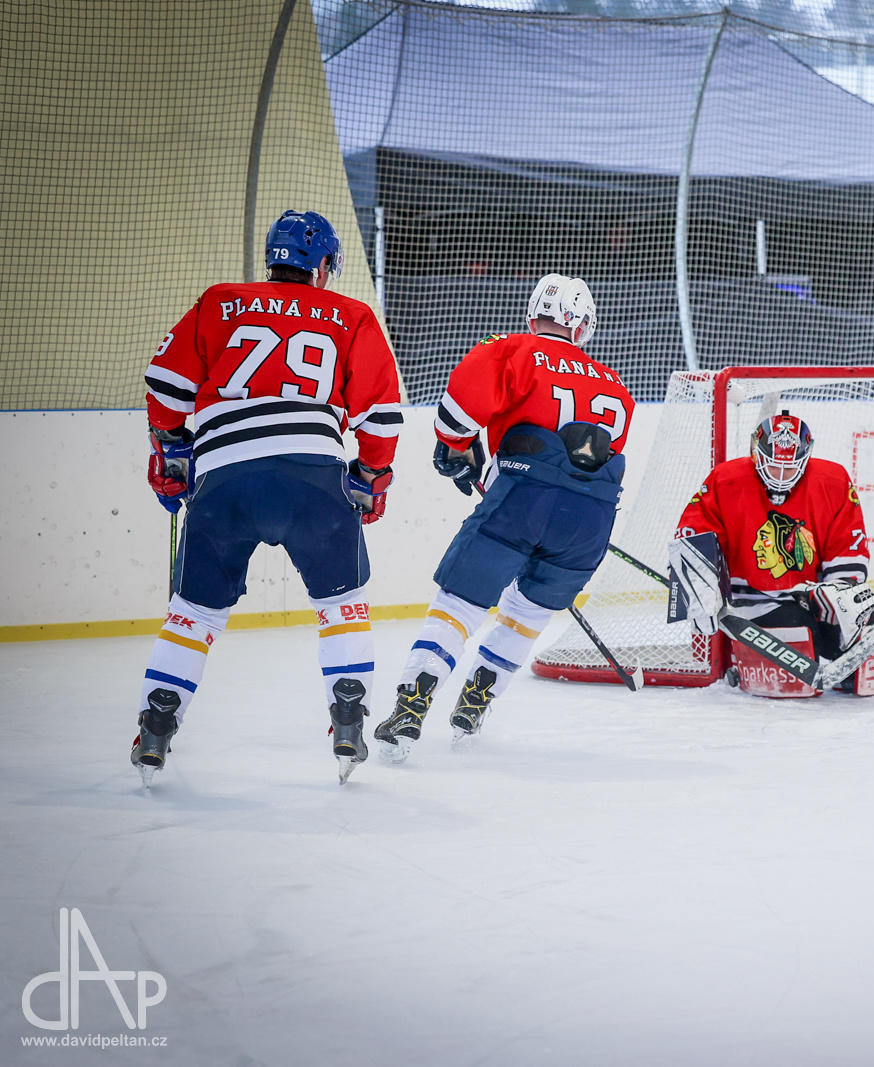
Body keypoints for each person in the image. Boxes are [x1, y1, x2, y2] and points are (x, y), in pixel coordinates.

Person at [133, 210, 403, 786]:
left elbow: (167, 386)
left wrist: (172, 454)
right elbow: (380, 415)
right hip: (314, 476)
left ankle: (156, 726)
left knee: (194, 613)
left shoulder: (220, 301)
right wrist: (371, 476)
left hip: (225, 477)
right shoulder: (352, 315)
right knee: (342, 605)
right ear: (323, 265)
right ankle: (349, 720)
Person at [372, 273, 633, 758]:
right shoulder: (616, 384)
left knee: (460, 605)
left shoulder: (510, 349)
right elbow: (587, 461)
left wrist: (458, 450)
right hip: (590, 521)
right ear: (581, 325)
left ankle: (411, 707)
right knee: (527, 614)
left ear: (534, 315)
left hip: (522, 503)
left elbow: (455, 418)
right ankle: (475, 704)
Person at [667, 411, 874, 696]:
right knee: (797, 635)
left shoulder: (833, 481)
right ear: (756, 454)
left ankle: (844, 663)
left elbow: (847, 543)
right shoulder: (726, 479)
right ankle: (744, 659)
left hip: (811, 594)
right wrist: (699, 585)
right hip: (755, 600)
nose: (780, 476)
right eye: (773, 466)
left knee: (866, 624)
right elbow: (693, 534)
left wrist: (839, 592)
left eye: (789, 468)